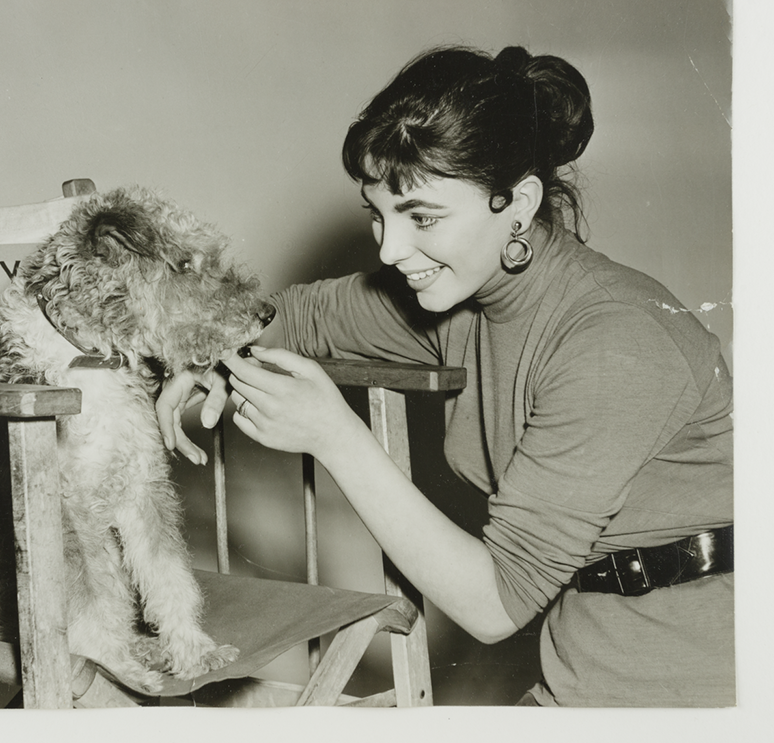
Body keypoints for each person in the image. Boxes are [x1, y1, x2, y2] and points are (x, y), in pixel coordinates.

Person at [156, 45, 734, 707]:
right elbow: (298, 316)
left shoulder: (614, 341)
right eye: (378, 214)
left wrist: (335, 437)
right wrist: (208, 354)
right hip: (579, 676)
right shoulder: (461, 300)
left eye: (422, 217)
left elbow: (495, 603)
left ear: (518, 203)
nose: (390, 249)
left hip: (703, 688)